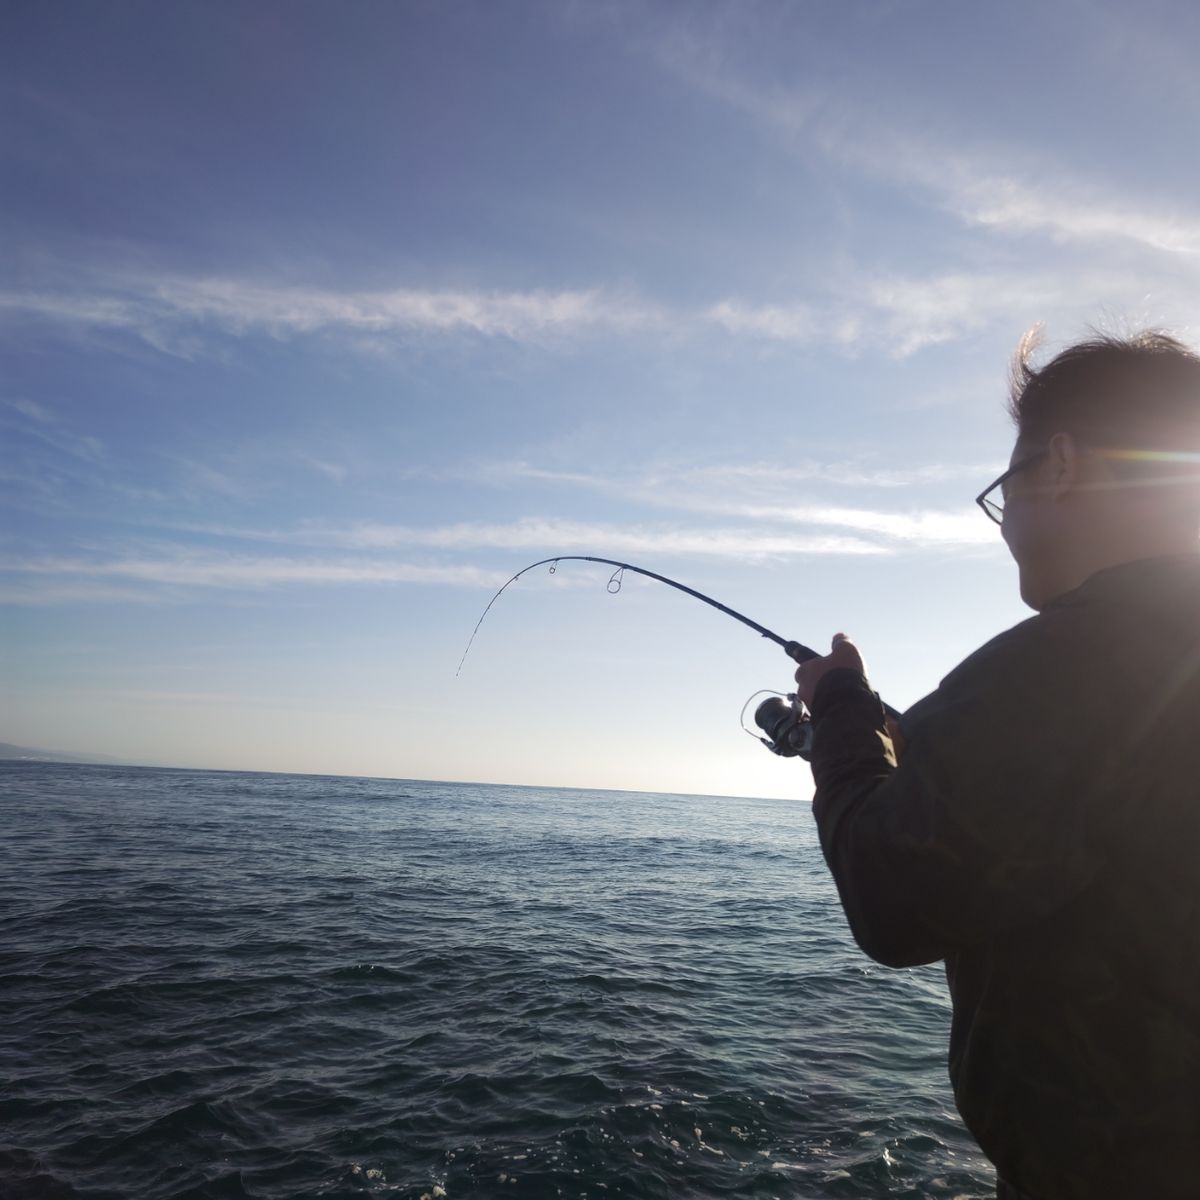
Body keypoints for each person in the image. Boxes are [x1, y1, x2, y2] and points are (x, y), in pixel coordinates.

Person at [792, 330, 1200, 1200]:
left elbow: (892, 894)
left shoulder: (1073, 665)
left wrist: (838, 714)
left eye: (1002, 487)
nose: (1004, 514)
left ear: (1059, 464)